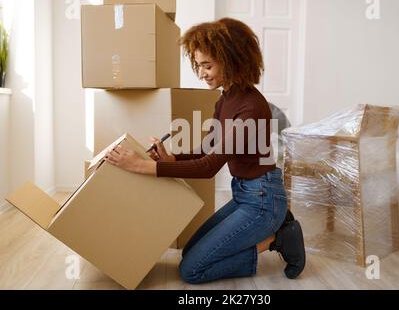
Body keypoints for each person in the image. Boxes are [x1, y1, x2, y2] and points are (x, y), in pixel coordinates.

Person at [105, 18, 305, 284]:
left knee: (191, 270)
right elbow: (207, 149)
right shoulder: (225, 100)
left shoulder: (251, 107)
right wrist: (172, 158)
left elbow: (209, 167)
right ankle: (274, 232)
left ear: (232, 59)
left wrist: (143, 166)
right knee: (190, 252)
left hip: (262, 201)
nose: (201, 74)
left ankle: (277, 239)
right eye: (198, 65)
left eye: (207, 66)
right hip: (245, 194)